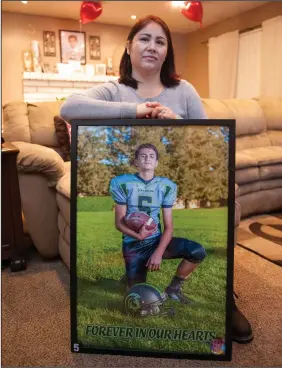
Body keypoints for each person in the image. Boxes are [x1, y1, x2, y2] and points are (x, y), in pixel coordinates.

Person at [60, 14, 253, 344]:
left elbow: (208, 143)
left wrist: (177, 121)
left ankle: (221, 296)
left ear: (167, 52)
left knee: (218, 210)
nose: (152, 46)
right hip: (135, 217)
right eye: (144, 39)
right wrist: (134, 111)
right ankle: (134, 279)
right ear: (129, 46)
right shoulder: (114, 89)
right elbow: (70, 108)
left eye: (160, 41)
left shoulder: (184, 90)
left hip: (167, 188)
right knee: (134, 301)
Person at [110, 143, 207, 304]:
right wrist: (138, 236)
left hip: (156, 240)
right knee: (137, 297)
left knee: (197, 251)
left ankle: (174, 289)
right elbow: (119, 223)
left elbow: (169, 227)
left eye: (151, 156)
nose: (147, 158)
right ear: (136, 162)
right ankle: (130, 275)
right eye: (143, 156)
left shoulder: (166, 186)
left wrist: (158, 253)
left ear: (156, 163)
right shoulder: (122, 183)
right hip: (133, 245)